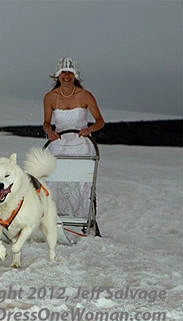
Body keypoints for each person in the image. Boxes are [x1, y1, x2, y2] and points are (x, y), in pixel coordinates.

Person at [43, 57, 104, 217]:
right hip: (59, 145)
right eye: (63, 72)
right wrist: (49, 131)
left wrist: (89, 129)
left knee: (83, 183)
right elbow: (46, 123)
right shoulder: (50, 97)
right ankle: (53, 218)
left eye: (70, 73)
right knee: (53, 182)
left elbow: (100, 121)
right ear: (57, 75)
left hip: (82, 146)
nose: (67, 76)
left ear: (75, 75)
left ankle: (84, 218)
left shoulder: (85, 95)